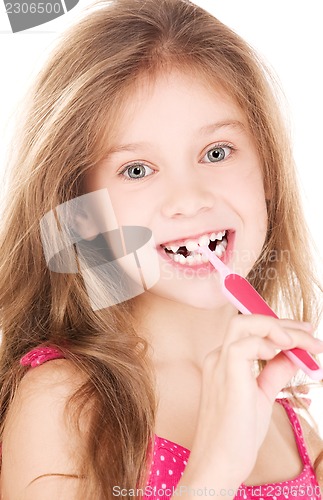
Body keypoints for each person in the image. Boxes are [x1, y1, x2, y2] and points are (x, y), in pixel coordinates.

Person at [0, 0, 322, 498]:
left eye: (216, 152)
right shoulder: (64, 404)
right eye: (136, 169)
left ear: (270, 175)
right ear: (81, 214)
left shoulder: (290, 417)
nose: (189, 199)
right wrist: (215, 470)